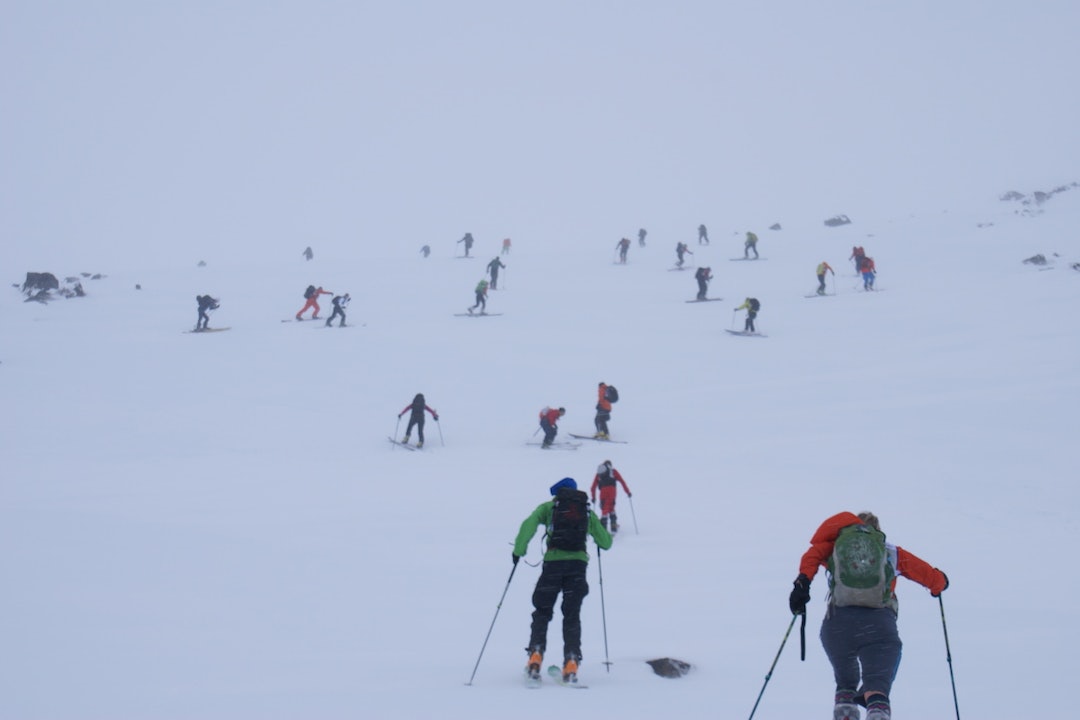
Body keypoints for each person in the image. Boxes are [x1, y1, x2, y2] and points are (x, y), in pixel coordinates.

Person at [788, 511, 949, 720]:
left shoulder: (836, 548)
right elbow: (932, 578)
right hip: (879, 627)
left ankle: (845, 706)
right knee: (876, 684)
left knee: (846, 681)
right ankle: (877, 709)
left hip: (838, 625)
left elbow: (812, 556)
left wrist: (803, 583)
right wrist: (940, 583)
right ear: (877, 532)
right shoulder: (890, 552)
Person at [514, 477, 613, 683]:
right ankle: (571, 662)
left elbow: (528, 524)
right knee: (571, 615)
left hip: (552, 566)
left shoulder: (550, 507)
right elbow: (606, 542)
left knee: (542, 611)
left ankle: (536, 655)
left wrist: (518, 550)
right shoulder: (585, 511)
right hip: (577, 567)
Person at [589, 460, 632, 532]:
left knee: (604, 509)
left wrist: (593, 497)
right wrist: (628, 492)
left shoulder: (599, 474)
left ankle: (603, 529)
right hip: (612, 491)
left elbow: (593, 487)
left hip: (603, 492)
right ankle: (613, 527)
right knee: (611, 507)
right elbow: (622, 481)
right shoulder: (613, 472)